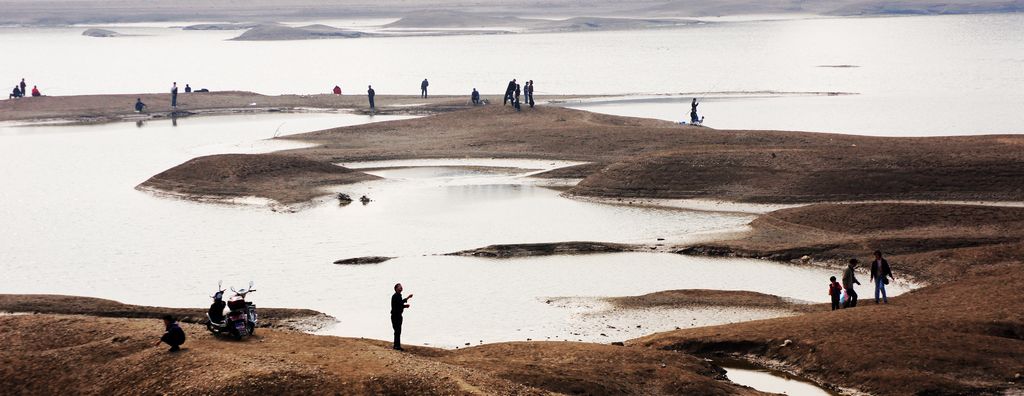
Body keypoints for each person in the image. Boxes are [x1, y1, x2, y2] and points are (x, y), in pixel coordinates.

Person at [390, 283, 413, 351]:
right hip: (395, 316)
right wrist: (405, 306)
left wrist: (408, 298)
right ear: (396, 288)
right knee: (397, 331)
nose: (401, 288)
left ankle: (396, 345)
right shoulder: (396, 296)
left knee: (398, 331)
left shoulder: (398, 295)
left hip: (397, 316)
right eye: (400, 287)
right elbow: (399, 305)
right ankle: (396, 346)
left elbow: (400, 303)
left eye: (401, 287)